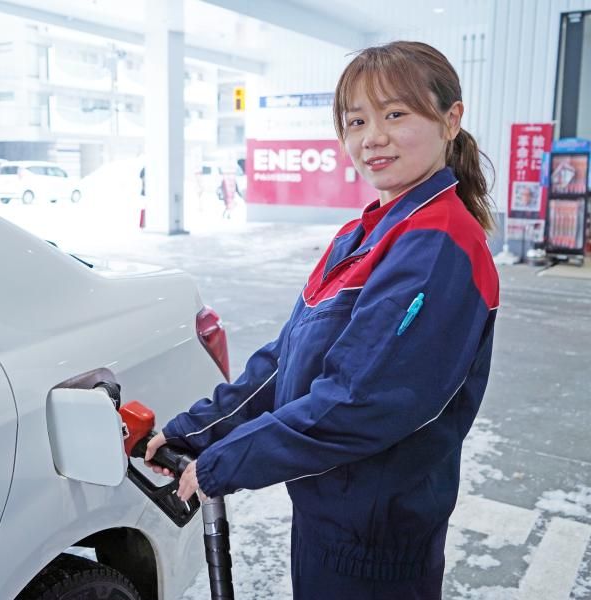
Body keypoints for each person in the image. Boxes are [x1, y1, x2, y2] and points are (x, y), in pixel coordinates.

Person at [145, 40, 499, 599]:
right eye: (356, 121)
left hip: (376, 538)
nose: (372, 137)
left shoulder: (438, 247)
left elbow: (362, 400)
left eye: (395, 114)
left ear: (450, 119)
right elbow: (285, 359)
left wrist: (228, 460)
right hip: (330, 511)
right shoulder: (361, 235)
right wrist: (197, 429)